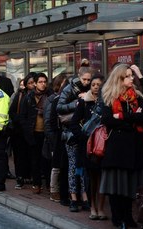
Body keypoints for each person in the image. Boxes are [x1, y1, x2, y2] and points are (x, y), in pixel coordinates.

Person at [100, 63, 143, 228]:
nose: (131, 79)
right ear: (119, 78)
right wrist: (130, 119)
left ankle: (128, 217)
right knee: (116, 185)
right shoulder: (109, 96)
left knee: (130, 185)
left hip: (135, 148)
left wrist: (140, 75)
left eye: (132, 76)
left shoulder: (137, 95)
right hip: (117, 149)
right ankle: (117, 217)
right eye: (128, 76)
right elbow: (107, 119)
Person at [70, 74, 107, 220]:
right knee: (91, 178)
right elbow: (74, 123)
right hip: (90, 147)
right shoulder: (84, 102)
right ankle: (93, 207)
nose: (96, 87)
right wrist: (84, 137)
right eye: (93, 84)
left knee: (103, 178)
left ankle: (102, 207)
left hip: (104, 145)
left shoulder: (107, 102)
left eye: (99, 84)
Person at [56, 66, 92, 212]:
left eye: (89, 80)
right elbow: (59, 107)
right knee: (72, 166)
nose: (86, 82)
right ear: (79, 76)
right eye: (84, 79)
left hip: (85, 133)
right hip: (70, 133)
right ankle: (74, 198)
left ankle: (84, 197)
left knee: (83, 167)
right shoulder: (69, 88)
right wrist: (76, 103)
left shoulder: (92, 89)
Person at [20, 73, 52, 194]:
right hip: (34, 133)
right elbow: (23, 116)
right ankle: (36, 183)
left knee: (47, 160)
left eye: (44, 82)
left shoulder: (50, 96)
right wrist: (27, 132)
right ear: (35, 83)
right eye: (40, 82)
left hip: (47, 133)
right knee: (35, 160)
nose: (43, 84)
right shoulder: (29, 97)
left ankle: (49, 184)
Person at [43, 73, 69, 202]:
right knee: (56, 165)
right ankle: (54, 190)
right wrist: (52, 140)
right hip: (56, 137)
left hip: (63, 137)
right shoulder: (54, 100)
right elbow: (49, 122)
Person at [9, 72, 36, 189]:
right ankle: (20, 177)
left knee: (32, 155)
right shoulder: (20, 95)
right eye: (30, 83)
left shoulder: (41, 96)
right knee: (20, 156)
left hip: (34, 131)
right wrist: (21, 120)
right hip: (19, 132)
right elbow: (12, 112)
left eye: (34, 82)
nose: (33, 85)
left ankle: (30, 176)